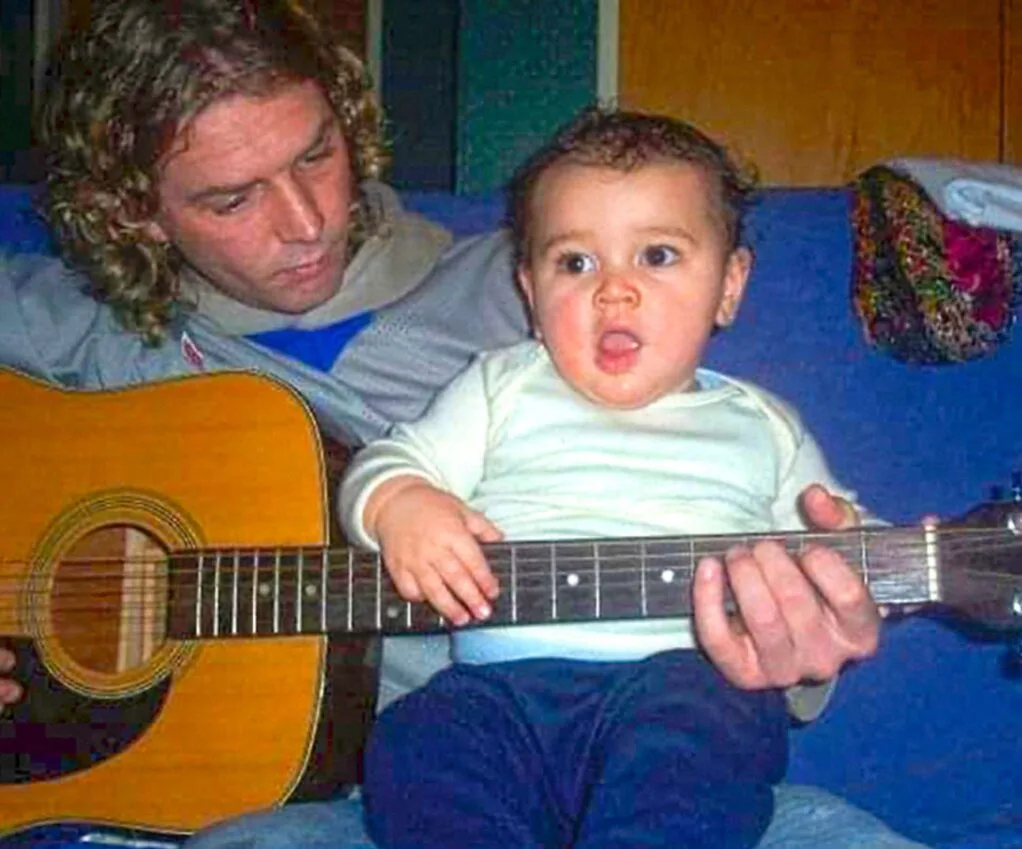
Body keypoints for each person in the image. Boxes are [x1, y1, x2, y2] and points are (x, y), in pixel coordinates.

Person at [0, 1, 928, 847]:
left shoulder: (555, 274)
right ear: (136, 214)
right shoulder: (101, 338)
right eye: (233, 198)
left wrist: (801, 649)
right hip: (397, 795)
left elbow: (796, 538)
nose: (306, 221)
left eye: (316, 154)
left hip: (679, 758)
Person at [337, 107, 890, 849]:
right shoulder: (501, 385)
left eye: (657, 255)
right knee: (413, 740)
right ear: (529, 293)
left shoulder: (763, 422)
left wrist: (867, 559)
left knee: (694, 752)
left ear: (729, 285)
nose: (614, 291)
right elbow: (389, 462)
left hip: (687, 683)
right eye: (575, 262)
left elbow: (843, 539)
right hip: (501, 688)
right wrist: (402, 501)